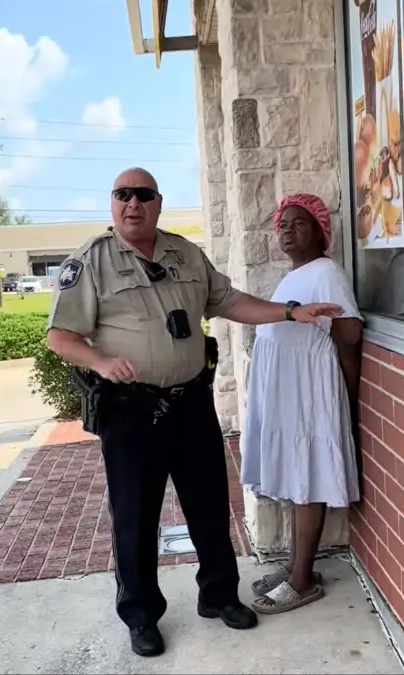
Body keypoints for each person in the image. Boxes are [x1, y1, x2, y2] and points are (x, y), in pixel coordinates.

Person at [45, 168, 344, 658]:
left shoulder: (185, 254)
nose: (133, 203)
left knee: (209, 504)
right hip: (130, 410)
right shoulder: (90, 262)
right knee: (135, 516)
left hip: (190, 402)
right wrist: (100, 361)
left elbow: (229, 301)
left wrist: (291, 311)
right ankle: (141, 615)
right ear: (113, 203)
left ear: (158, 203)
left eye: (143, 195)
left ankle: (220, 595)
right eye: (123, 195)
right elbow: (60, 336)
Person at [240, 194, 364, 614]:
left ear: (320, 231)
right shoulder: (295, 275)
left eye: (299, 223)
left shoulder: (326, 271)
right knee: (296, 477)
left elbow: (347, 335)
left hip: (309, 391)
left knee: (306, 477)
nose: (288, 230)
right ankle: (298, 565)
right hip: (289, 392)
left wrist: (348, 398)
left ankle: (302, 580)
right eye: (283, 225)